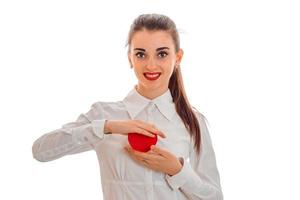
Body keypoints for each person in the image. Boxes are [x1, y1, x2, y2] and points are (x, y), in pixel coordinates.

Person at [32, 13, 223, 200]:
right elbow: (40, 151)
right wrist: (108, 127)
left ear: (178, 58)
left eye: (162, 54)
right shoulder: (103, 114)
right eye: (141, 54)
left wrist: (178, 171)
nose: (150, 65)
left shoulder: (192, 121)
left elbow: (215, 197)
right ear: (130, 58)